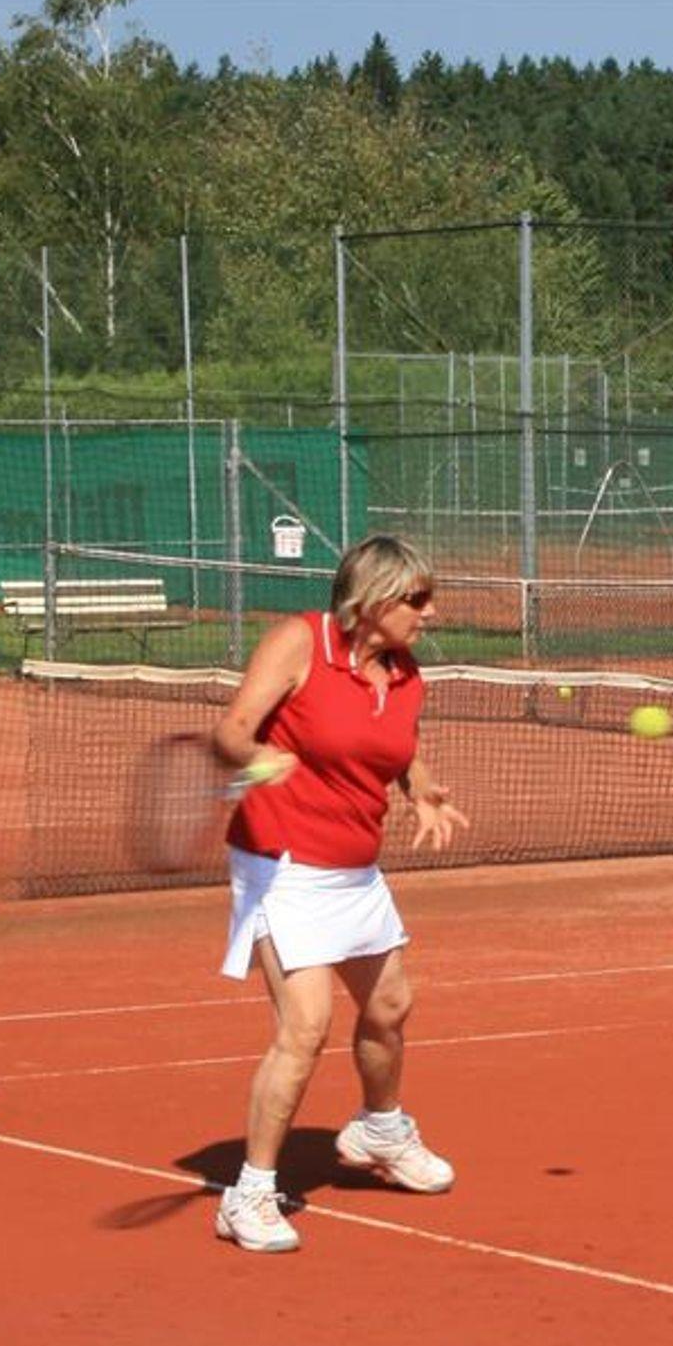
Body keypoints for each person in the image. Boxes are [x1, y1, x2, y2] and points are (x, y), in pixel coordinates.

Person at [208, 534, 471, 1254]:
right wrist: (260, 758)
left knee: (389, 1007)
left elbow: (398, 747)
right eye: (417, 599)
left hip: (355, 866)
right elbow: (231, 732)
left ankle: (380, 1129)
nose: (430, 612)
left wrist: (421, 790)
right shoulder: (300, 642)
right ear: (374, 600)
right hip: (282, 862)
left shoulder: (405, 672)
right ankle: (248, 1194)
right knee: (305, 1026)